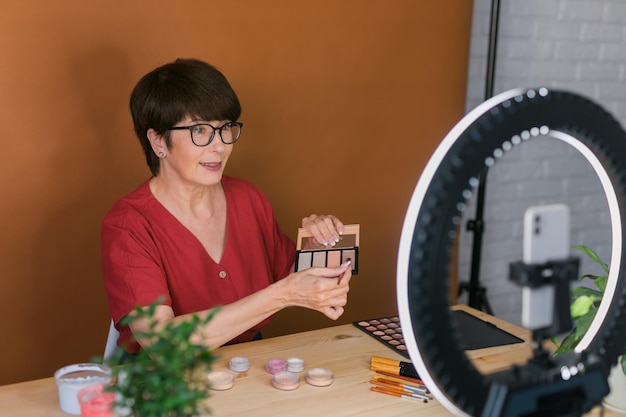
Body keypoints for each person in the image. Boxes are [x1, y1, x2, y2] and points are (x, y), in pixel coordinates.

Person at [101, 58, 352, 355]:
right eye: (200, 131)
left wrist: (320, 245)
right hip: (162, 383)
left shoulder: (248, 198)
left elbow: (296, 277)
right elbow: (163, 343)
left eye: (225, 128)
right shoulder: (129, 224)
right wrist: (282, 296)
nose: (219, 146)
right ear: (158, 141)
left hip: (246, 364)